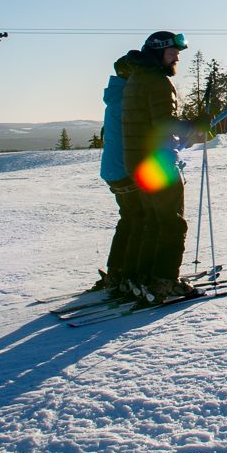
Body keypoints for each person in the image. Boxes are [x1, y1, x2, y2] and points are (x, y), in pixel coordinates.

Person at [121, 31, 201, 302]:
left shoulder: (137, 76)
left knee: (154, 221)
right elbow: (163, 122)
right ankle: (164, 282)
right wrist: (193, 125)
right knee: (171, 223)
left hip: (138, 160)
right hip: (155, 160)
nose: (177, 57)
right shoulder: (156, 81)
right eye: (172, 53)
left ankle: (141, 279)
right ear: (158, 53)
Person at [90, 55, 145, 294]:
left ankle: (117, 270)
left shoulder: (116, 96)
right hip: (124, 168)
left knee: (130, 219)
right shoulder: (126, 100)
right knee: (141, 219)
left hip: (114, 169)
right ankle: (128, 274)